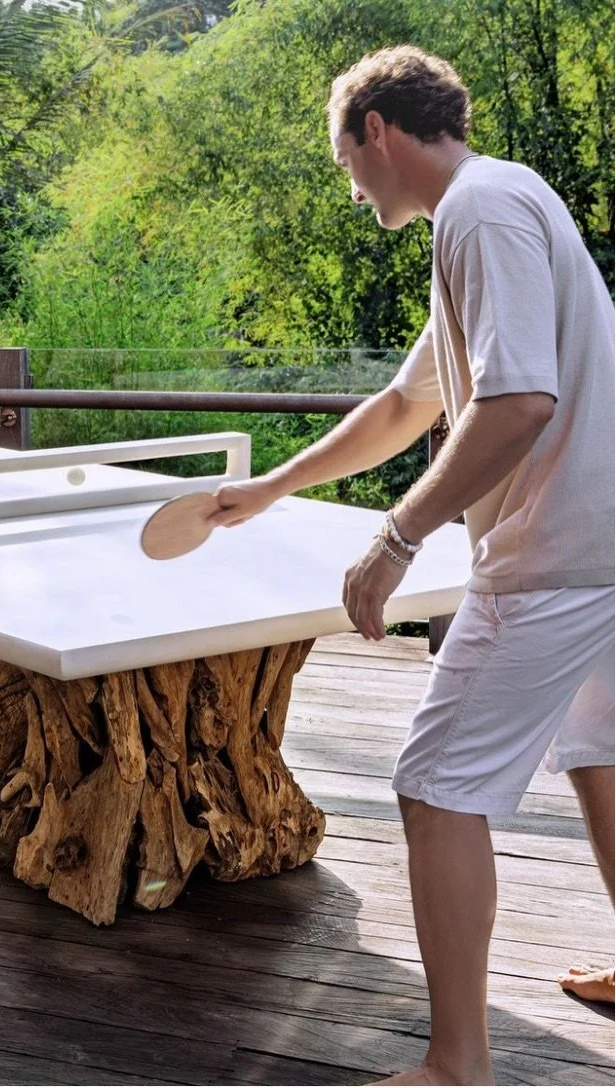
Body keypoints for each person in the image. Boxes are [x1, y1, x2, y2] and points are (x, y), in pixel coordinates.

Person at [205, 46, 614, 1085]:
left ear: (377, 131)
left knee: (435, 786)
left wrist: (395, 539)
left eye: (345, 160)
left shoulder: (479, 209)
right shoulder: (492, 208)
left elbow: (517, 403)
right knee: (602, 752)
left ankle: (455, 1065)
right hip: (605, 542)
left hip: (558, 553)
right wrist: (271, 488)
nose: (350, 187)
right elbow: (404, 405)